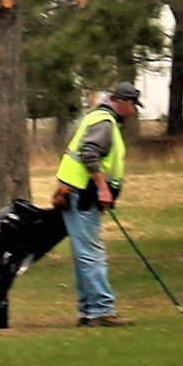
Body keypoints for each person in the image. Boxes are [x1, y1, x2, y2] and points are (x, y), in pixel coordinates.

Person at [52, 83, 141, 328]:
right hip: (83, 194)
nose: (133, 111)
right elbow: (89, 153)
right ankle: (101, 309)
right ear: (122, 101)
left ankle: (89, 310)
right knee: (92, 254)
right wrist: (103, 188)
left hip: (74, 192)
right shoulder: (105, 122)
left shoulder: (100, 118)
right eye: (132, 105)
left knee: (84, 253)